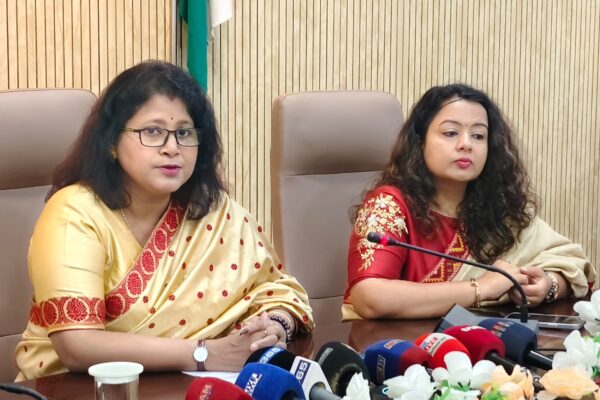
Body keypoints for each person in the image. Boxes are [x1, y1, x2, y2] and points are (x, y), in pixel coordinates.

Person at [15, 60, 314, 381]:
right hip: (78, 388)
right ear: (112, 142)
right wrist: (205, 354)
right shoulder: (75, 212)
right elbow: (77, 345)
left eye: (184, 133)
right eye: (153, 132)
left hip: (191, 385)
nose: (172, 148)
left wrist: (275, 326)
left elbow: (277, 290)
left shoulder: (212, 210)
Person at [343, 83, 596, 320]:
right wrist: (480, 288)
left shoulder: (501, 208)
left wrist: (548, 285)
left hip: (483, 340)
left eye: (478, 136)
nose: (466, 144)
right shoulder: (388, 206)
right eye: (451, 133)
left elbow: (573, 264)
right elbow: (370, 297)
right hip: (400, 344)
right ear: (420, 143)